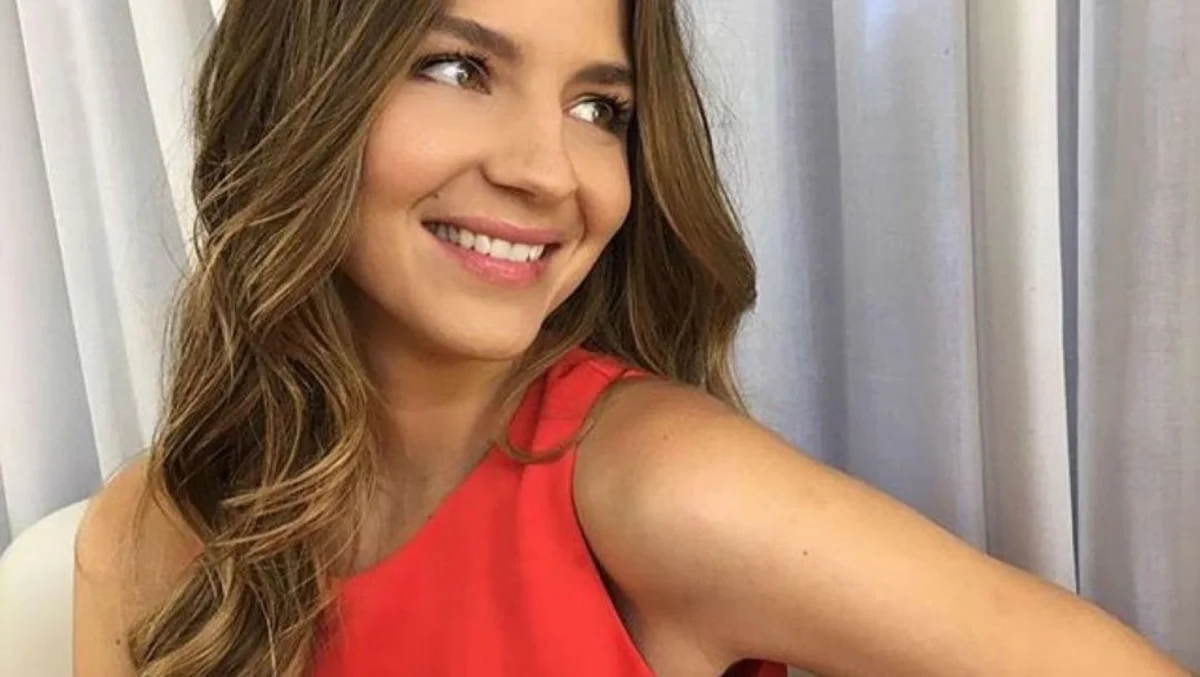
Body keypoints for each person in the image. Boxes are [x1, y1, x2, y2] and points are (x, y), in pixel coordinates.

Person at [72, 0, 1191, 676]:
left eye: (598, 109)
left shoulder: (656, 483)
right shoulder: (147, 530)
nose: (548, 171)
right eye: (459, 68)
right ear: (297, 101)